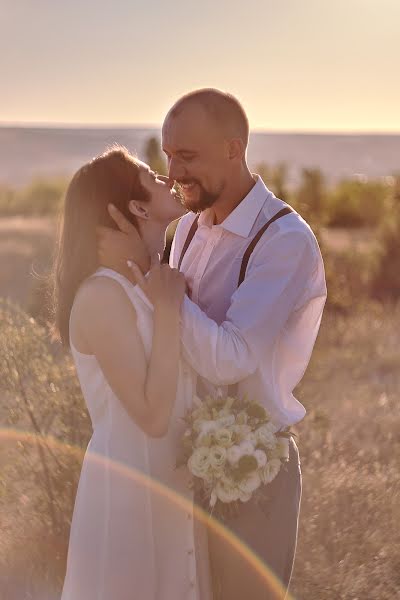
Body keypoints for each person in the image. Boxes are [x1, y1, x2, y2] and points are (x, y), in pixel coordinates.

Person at [99, 88, 327, 599]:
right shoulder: (186, 230)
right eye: (169, 155)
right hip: (183, 466)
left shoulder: (283, 240)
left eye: (189, 156)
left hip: (252, 471)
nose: (175, 172)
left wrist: (165, 290)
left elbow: (232, 359)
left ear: (233, 149)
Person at [53, 146, 213, 600]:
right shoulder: (103, 296)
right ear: (137, 206)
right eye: (150, 175)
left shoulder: (146, 280)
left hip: (171, 484)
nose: (166, 178)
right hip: (129, 496)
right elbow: (151, 415)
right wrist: (166, 310)